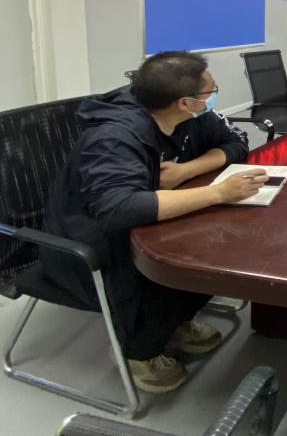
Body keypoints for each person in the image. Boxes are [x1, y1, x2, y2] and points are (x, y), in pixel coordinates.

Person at [41, 51, 268, 393]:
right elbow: (118, 208)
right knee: (175, 255)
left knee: (212, 238)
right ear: (184, 102)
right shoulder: (115, 136)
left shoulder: (188, 114)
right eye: (210, 90)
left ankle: (175, 324)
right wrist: (218, 193)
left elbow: (236, 142)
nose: (214, 94)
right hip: (88, 242)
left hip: (140, 219)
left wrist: (186, 171)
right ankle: (138, 352)